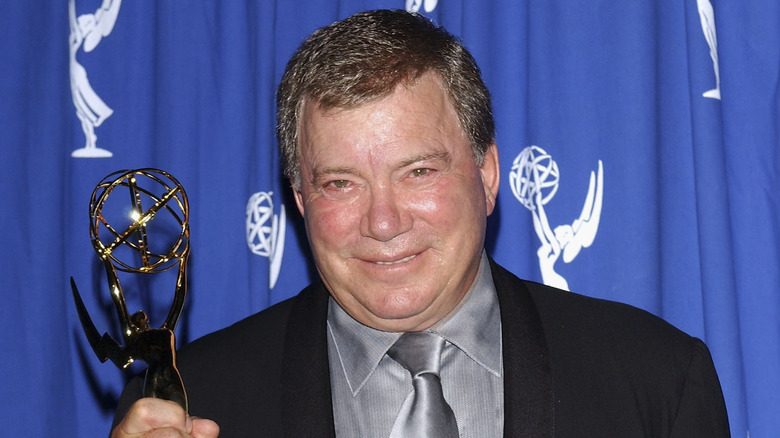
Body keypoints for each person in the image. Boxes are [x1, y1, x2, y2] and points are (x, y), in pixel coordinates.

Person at [111, 9, 730, 437]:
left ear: (487, 176)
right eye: (340, 183)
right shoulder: (192, 401)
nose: (382, 222)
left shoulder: (655, 381)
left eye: (419, 172)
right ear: (299, 200)